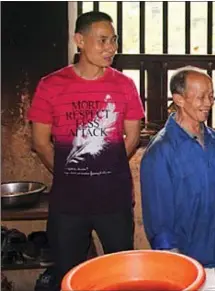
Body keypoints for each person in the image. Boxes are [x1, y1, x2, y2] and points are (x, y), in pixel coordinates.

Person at [27, 11, 144, 289]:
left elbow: (133, 137)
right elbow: (40, 142)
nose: (111, 48)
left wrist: (107, 166)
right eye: (102, 40)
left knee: (121, 274)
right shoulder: (50, 85)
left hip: (114, 202)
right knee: (69, 278)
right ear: (79, 40)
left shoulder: (124, 85)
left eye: (113, 40)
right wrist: (69, 172)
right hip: (68, 205)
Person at [140, 66, 215, 268]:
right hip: (189, 259)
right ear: (179, 99)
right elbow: (160, 223)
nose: (208, 103)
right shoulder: (160, 152)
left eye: (211, 95)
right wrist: (178, 265)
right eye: (200, 97)